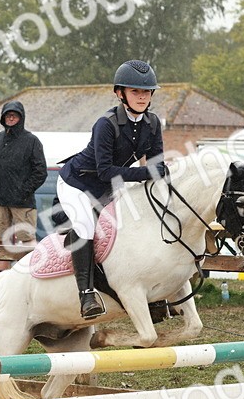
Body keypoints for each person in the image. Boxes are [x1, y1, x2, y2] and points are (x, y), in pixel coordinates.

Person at [57, 59, 167, 318]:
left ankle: (153, 292)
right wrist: (147, 173)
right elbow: (106, 170)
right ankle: (86, 295)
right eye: (135, 91)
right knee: (85, 224)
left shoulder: (152, 123)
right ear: (121, 93)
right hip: (77, 183)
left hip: (109, 184)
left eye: (146, 92)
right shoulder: (105, 124)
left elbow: (156, 166)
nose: (142, 97)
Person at [0, 99, 47, 271]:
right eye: (8, 115)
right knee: (1, 239)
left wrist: (23, 191)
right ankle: (1, 276)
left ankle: (29, 274)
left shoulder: (32, 141)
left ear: (21, 118)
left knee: (27, 239)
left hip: (22, 202)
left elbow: (40, 172)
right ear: (3, 118)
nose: (11, 118)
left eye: (14, 115)